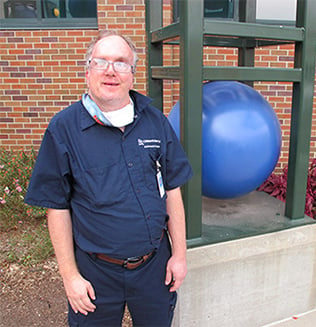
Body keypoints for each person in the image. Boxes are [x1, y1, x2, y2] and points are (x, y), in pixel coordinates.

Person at [25, 30, 193, 327]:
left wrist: (179, 255)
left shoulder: (156, 123)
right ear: (87, 70)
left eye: (121, 63)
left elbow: (172, 192)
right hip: (95, 273)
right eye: (101, 62)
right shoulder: (63, 129)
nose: (111, 71)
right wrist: (70, 277)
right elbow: (57, 208)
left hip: (154, 268)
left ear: (132, 74)